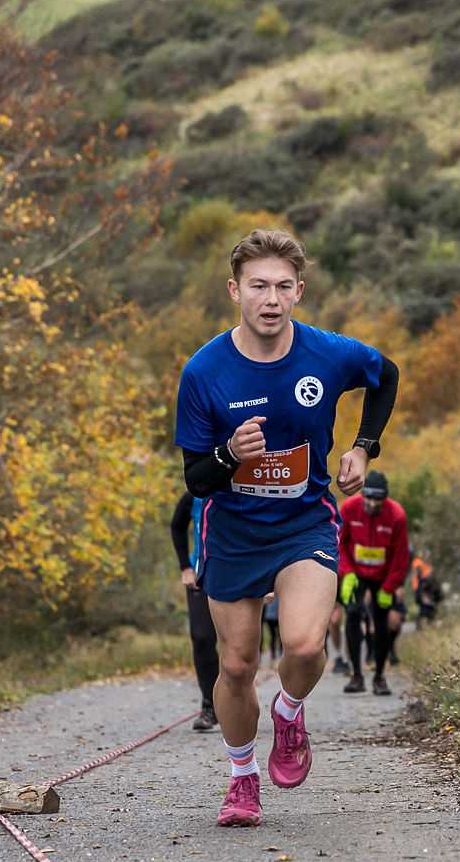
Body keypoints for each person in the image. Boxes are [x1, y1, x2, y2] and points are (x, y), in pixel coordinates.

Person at [174, 227, 399, 828]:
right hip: (234, 531)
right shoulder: (204, 371)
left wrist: (364, 447)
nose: (269, 299)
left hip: (304, 522)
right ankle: (242, 779)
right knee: (238, 666)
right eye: (257, 287)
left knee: (302, 644)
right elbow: (196, 480)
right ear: (235, 291)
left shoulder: (327, 353)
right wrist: (229, 456)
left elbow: (387, 375)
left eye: (281, 287)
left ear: (298, 292)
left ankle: (291, 709)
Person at [338, 469, 410, 694]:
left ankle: (379, 677)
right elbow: (339, 542)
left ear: (384, 498)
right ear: (363, 495)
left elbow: (401, 556)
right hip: (356, 574)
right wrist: (347, 572)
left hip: (383, 576)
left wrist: (389, 587)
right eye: (368, 497)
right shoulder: (349, 509)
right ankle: (356, 675)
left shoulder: (396, 515)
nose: (372, 503)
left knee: (381, 624)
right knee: (353, 614)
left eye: (377, 499)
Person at [169, 492, 220, 730]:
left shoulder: (246, 488)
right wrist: (185, 567)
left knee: (238, 645)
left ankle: (237, 702)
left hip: (237, 573)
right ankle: (210, 705)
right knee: (201, 638)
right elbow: (177, 526)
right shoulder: (195, 494)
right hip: (200, 576)